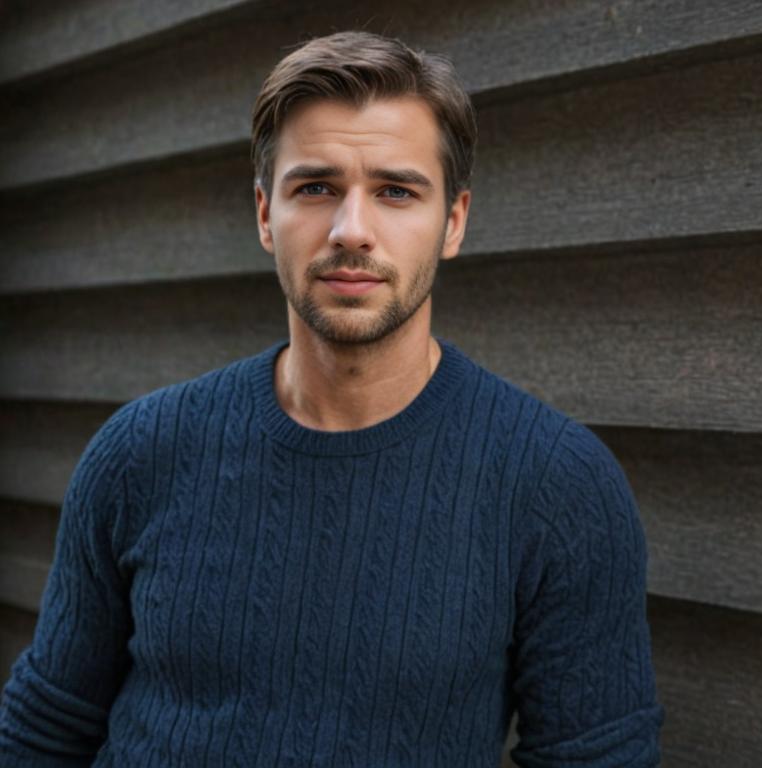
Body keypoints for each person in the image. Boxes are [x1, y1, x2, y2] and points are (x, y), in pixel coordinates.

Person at [0, 31, 663, 767]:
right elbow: (44, 731)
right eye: (315, 187)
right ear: (263, 213)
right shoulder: (139, 453)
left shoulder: (558, 487)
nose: (353, 230)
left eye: (395, 191)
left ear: (453, 222)